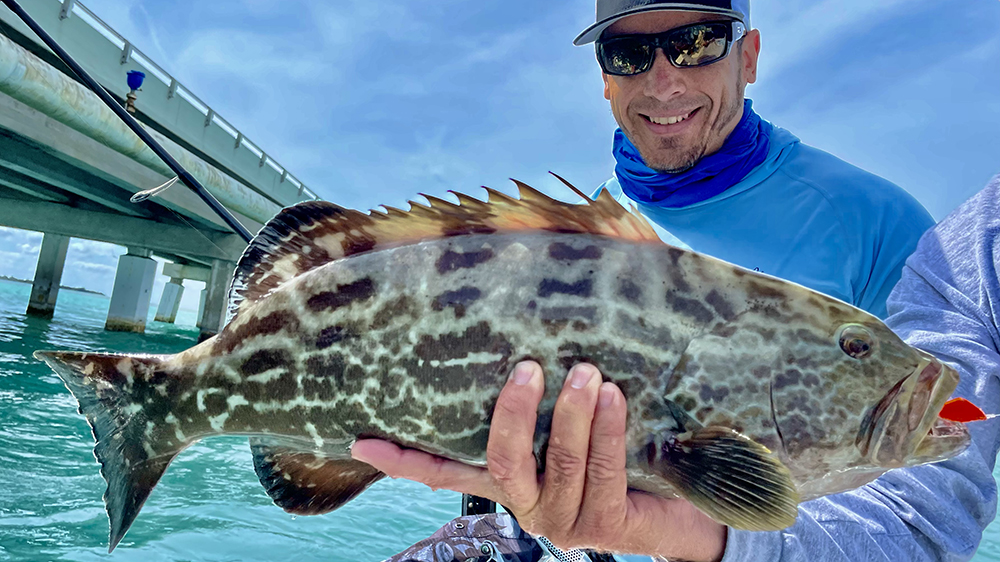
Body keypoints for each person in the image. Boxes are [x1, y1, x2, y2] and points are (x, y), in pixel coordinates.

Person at [350, 1, 964, 560]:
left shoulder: (882, 226)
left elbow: (926, 519)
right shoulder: (583, 234)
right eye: (629, 54)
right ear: (606, 79)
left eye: (697, 42)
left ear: (747, 57)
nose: (664, 79)